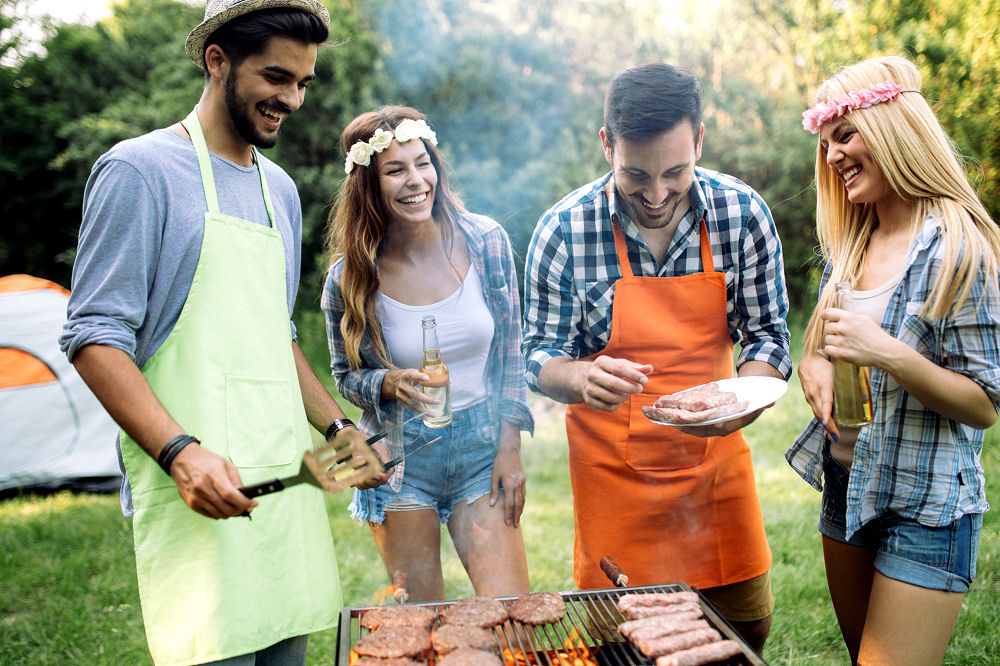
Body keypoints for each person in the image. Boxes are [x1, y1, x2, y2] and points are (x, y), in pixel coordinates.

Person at [58, 1, 384, 664]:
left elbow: (271, 337)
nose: (291, 98)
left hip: (283, 487)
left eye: (302, 82)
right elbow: (94, 336)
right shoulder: (139, 172)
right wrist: (180, 453)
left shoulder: (281, 190)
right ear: (217, 60)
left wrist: (335, 428)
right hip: (197, 492)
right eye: (275, 78)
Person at [521, 62, 791, 652]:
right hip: (613, 481)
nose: (657, 195)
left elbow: (768, 336)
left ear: (699, 140)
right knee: (620, 648)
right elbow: (537, 354)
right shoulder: (564, 230)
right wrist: (580, 375)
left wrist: (744, 395)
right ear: (606, 146)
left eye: (676, 172)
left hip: (714, 469)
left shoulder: (741, 214)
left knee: (743, 637)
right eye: (635, 175)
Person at [787, 55, 1000, 665]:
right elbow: (826, 341)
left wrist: (889, 355)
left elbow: (984, 403)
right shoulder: (854, 239)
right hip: (847, 486)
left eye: (845, 135)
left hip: (925, 504)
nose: (832, 157)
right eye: (826, 144)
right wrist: (816, 365)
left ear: (893, 129)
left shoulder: (960, 246)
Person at [322, 106, 535, 601]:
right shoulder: (349, 277)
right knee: (424, 622)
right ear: (369, 186)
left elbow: (510, 353)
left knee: (512, 615)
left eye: (422, 163)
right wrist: (386, 382)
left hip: (483, 450)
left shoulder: (486, 242)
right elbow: (345, 375)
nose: (416, 180)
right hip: (398, 462)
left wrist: (510, 449)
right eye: (395, 170)